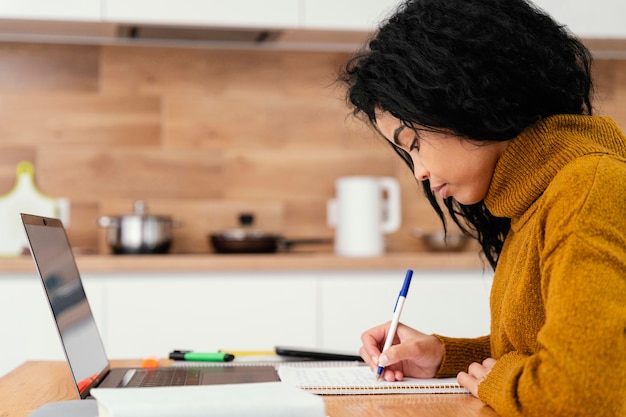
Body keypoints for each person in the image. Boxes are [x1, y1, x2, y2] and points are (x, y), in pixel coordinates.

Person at [339, 0, 626, 416]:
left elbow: (583, 389)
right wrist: (444, 357)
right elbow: (535, 350)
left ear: (467, 99)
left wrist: (499, 380)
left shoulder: (587, 189)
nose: (418, 171)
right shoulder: (533, 197)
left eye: (414, 143)